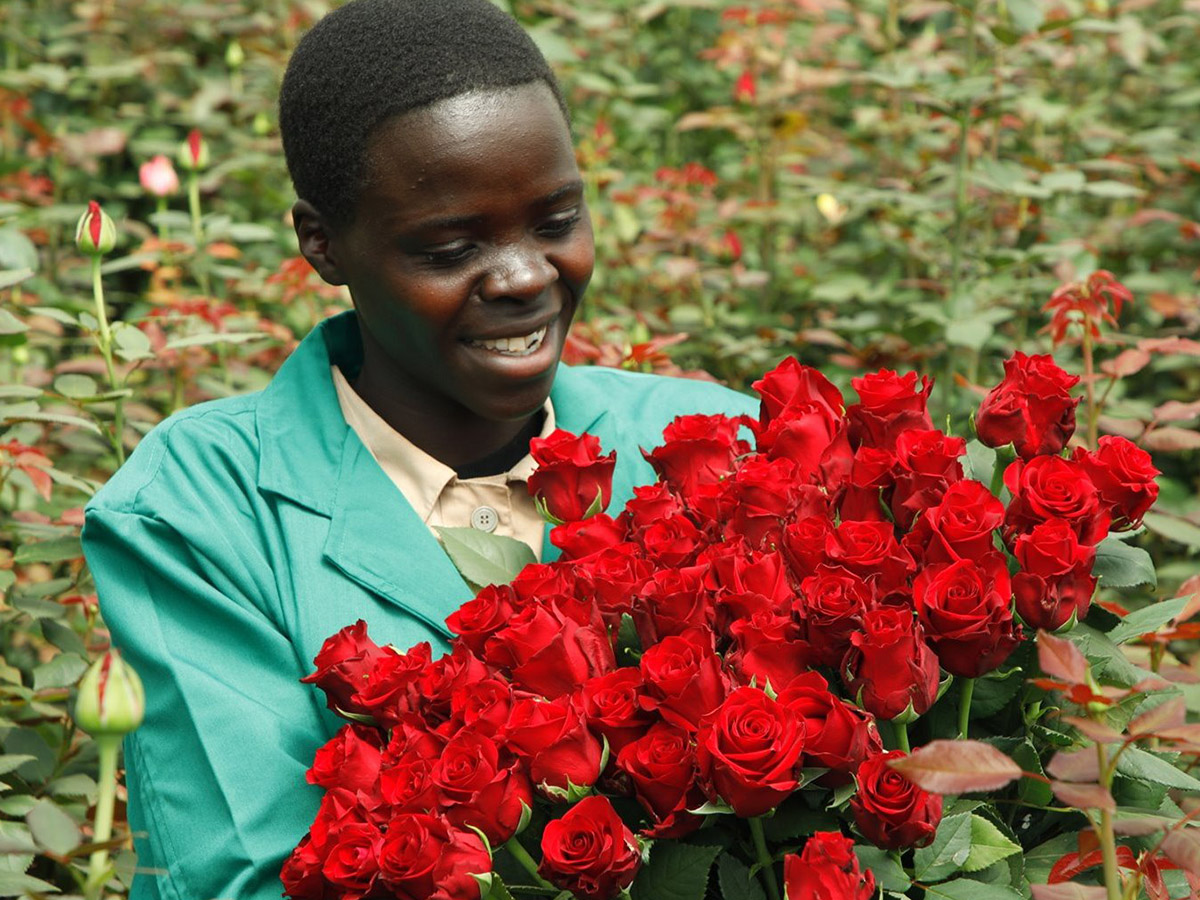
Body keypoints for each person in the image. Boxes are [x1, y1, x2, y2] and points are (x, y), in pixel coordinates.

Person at [82, 1, 755, 898]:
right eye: (451, 247)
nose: (524, 277)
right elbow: (245, 873)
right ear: (322, 244)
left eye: (556, 221)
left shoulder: (718, 448)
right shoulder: (199, 510)